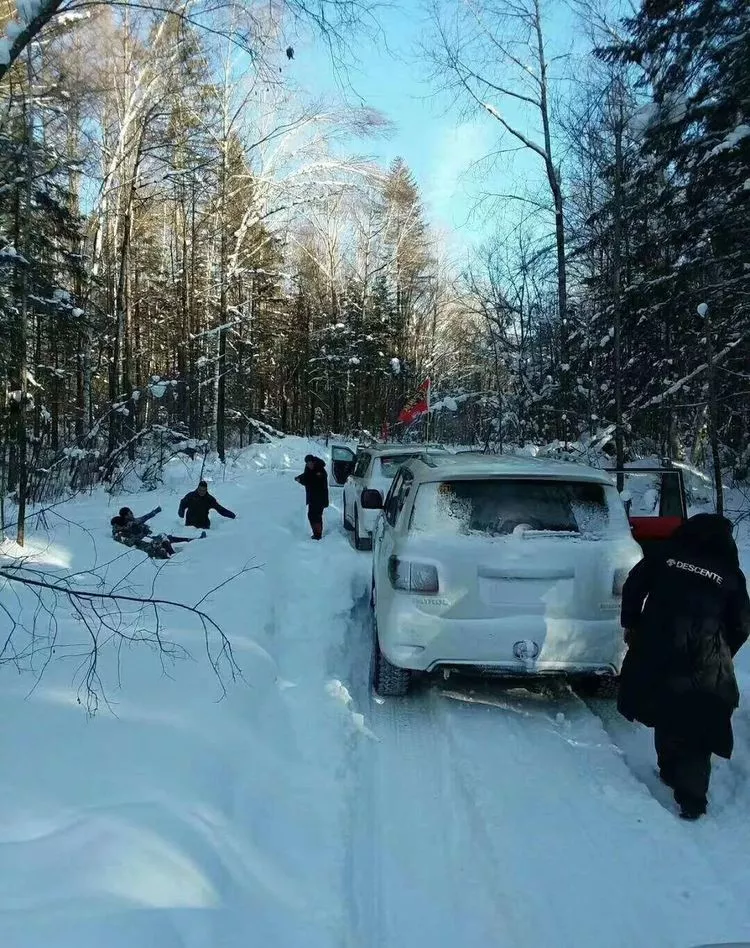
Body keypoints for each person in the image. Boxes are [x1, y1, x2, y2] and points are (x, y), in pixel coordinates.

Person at [618, 513, 750, 820]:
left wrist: (632, 624)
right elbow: (742, 623)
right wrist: (724, 648)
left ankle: (668, 771)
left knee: (665, 705)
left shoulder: (666, 555)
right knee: (696, 721)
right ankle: (692, 796)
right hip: (705, 658)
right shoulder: (730, 574)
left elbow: (634, 585)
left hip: (657, 646)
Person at [111, 506, 202, 559]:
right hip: (145, 543)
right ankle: (173, 555)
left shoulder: (132, 522)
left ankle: (189, 540)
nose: (132, 514)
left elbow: (144, 518)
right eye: (130, 513)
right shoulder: (126, 527)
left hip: (147, 539)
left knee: (166, 537)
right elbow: (134, 538)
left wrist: (155, 511)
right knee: (163, 538)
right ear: (126, 516)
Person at [295, 454, 329, 540]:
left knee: (316, 515)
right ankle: (316, 533)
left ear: (314, 462)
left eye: (310, 463)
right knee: (311, 515)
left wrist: (301, 480)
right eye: (307, 463)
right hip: (312, 498)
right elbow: (306, 476)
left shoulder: (320, 470)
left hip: (320, 498)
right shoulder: (309, 469)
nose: (309, 465)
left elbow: (311, 481)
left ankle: (318, 535)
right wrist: (299, 478)